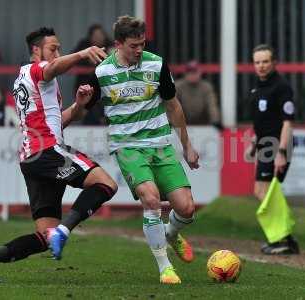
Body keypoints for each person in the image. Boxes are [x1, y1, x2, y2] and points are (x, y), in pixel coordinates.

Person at [0, 27, 117, 283]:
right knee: (106, 183)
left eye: (59, 48)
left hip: (33, 159)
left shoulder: (33, 82)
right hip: (47, 151)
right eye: (53, 48)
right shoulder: (33, 70)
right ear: (36, 51)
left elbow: (57, 122)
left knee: (45, 236)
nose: (57, 53)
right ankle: (64, 230)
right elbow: (51, 69)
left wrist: (79, 106)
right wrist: (82, 53)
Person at [86, 16, 199, 284]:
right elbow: (83, 108)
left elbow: (173, 106)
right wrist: (70, 114)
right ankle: (165, 268)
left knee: (187, 208)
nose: (139, 50)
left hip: (159, 143)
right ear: (118, 44)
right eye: (133, 45)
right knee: (151, 198)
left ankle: (170, 234)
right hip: (127, 147)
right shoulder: (102, 72)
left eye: (142, 44)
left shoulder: (157, 64)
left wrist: (187, 146)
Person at [246, 44, 299, 255]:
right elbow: (262, 120)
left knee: (264, 192)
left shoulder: (282, 86)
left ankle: (283, 239)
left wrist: (282, 153)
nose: (261, 66)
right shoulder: (257, 87)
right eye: (257, 62)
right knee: (262, 192)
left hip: (277, 145)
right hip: (265, 144)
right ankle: (284, 238)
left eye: (265, 61)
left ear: (274, 62)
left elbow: (287, 122)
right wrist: (253, 143)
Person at [72, 24, 113, 125]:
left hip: (107, 90)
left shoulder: (111, 48)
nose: (98, 38)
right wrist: (87, 60)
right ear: (90, 37)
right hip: (87, 90)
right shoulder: (83, 47)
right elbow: (73, 61)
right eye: (95, 35)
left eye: (100, 35)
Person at [175, 60, 222, 128]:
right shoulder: (178, 86)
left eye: (194, 72)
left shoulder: (206, 87)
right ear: (185, 74)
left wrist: (215, 120)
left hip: (203, 125)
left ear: (200, 73)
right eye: (189, 72)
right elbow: (172, 105)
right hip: (183, 125)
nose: (192, 75)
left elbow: (212, 105)